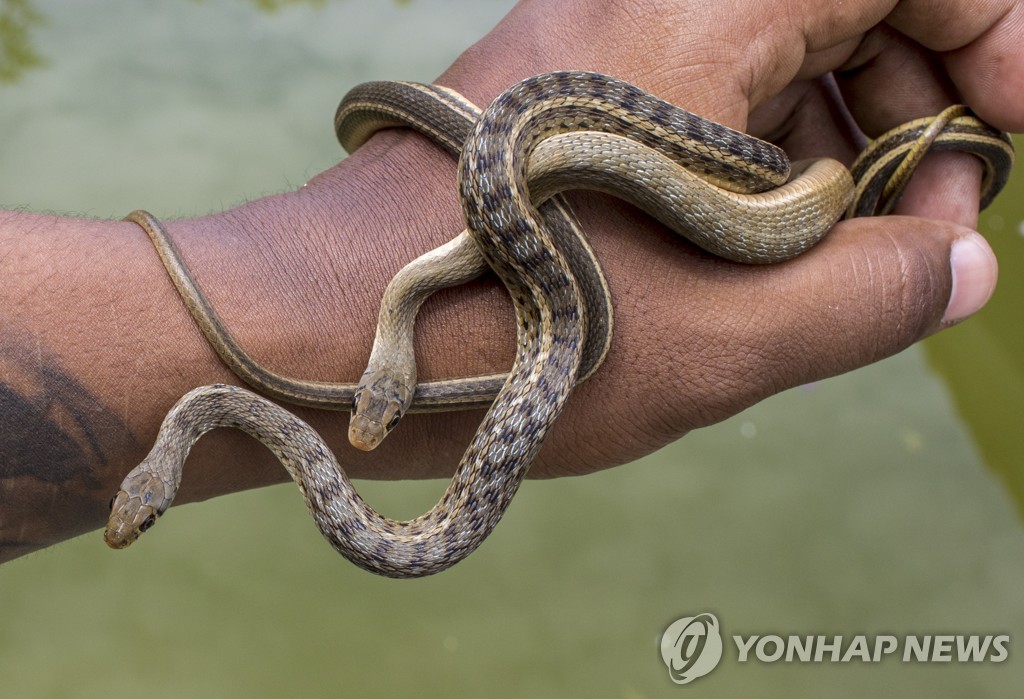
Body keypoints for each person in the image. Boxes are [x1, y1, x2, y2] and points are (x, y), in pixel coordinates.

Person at [0, 0, 1020, 562]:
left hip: (557, 139)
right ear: (156, 485)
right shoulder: (222, 407)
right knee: (549, 192)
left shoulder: (508, 190)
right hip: (540, 170)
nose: (378, 418)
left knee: (572, 160)